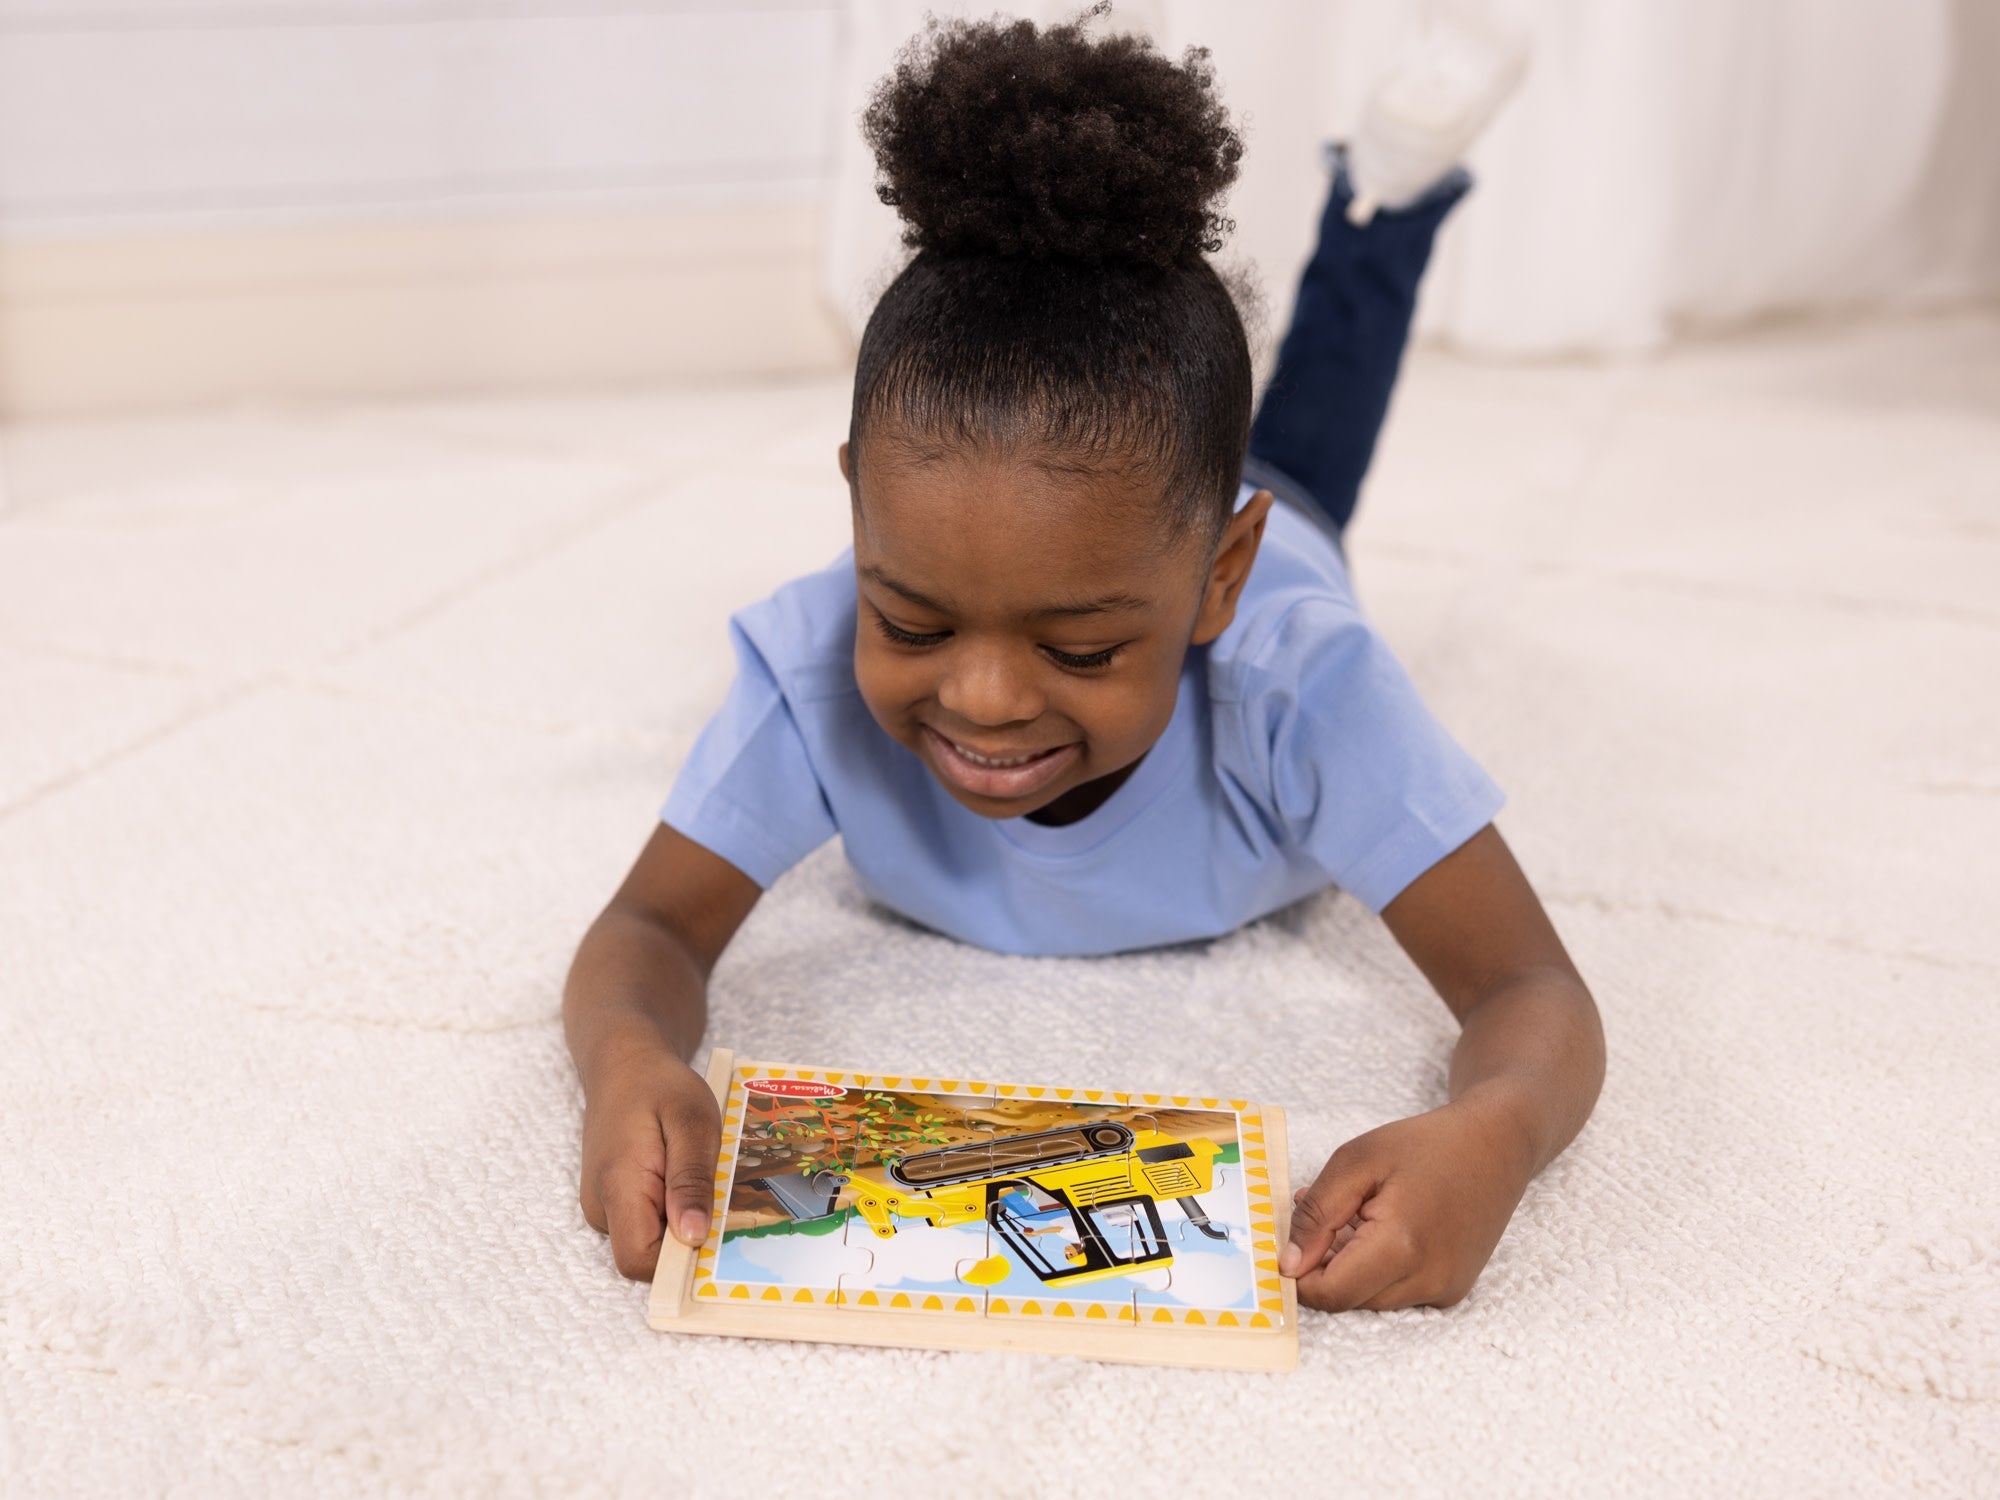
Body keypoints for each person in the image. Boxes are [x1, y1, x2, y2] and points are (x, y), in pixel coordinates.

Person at [564, 6, 1602, 1314]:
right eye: (916, 620)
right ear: (857, 521)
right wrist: (626, 1054)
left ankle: (1380, 201)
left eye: (1083, 645)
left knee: (1316, 426)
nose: (985, 700)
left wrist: (1496, 1133)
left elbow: (1532, 990)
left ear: (1216, 580)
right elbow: (645, 929)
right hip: (1156, 514)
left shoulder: (1299, 678)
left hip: (1260, 526)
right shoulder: (810, 671)